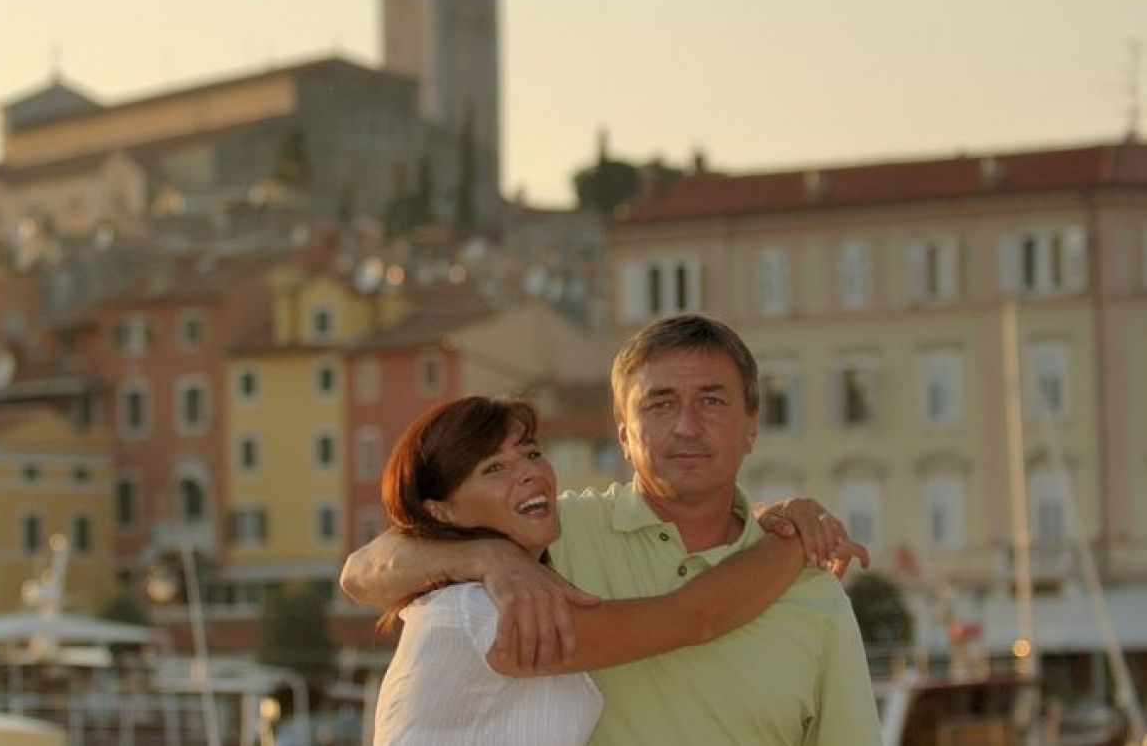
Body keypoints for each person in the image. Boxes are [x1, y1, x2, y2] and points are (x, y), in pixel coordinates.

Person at [345, 314, 883, 746]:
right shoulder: (547, 541)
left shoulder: (815, 592)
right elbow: (362, 571)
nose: (687, 426)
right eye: (660, 403)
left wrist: (784, 531)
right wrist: (488, 558)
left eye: (712, 401)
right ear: (623, 436)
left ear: (751, 426)